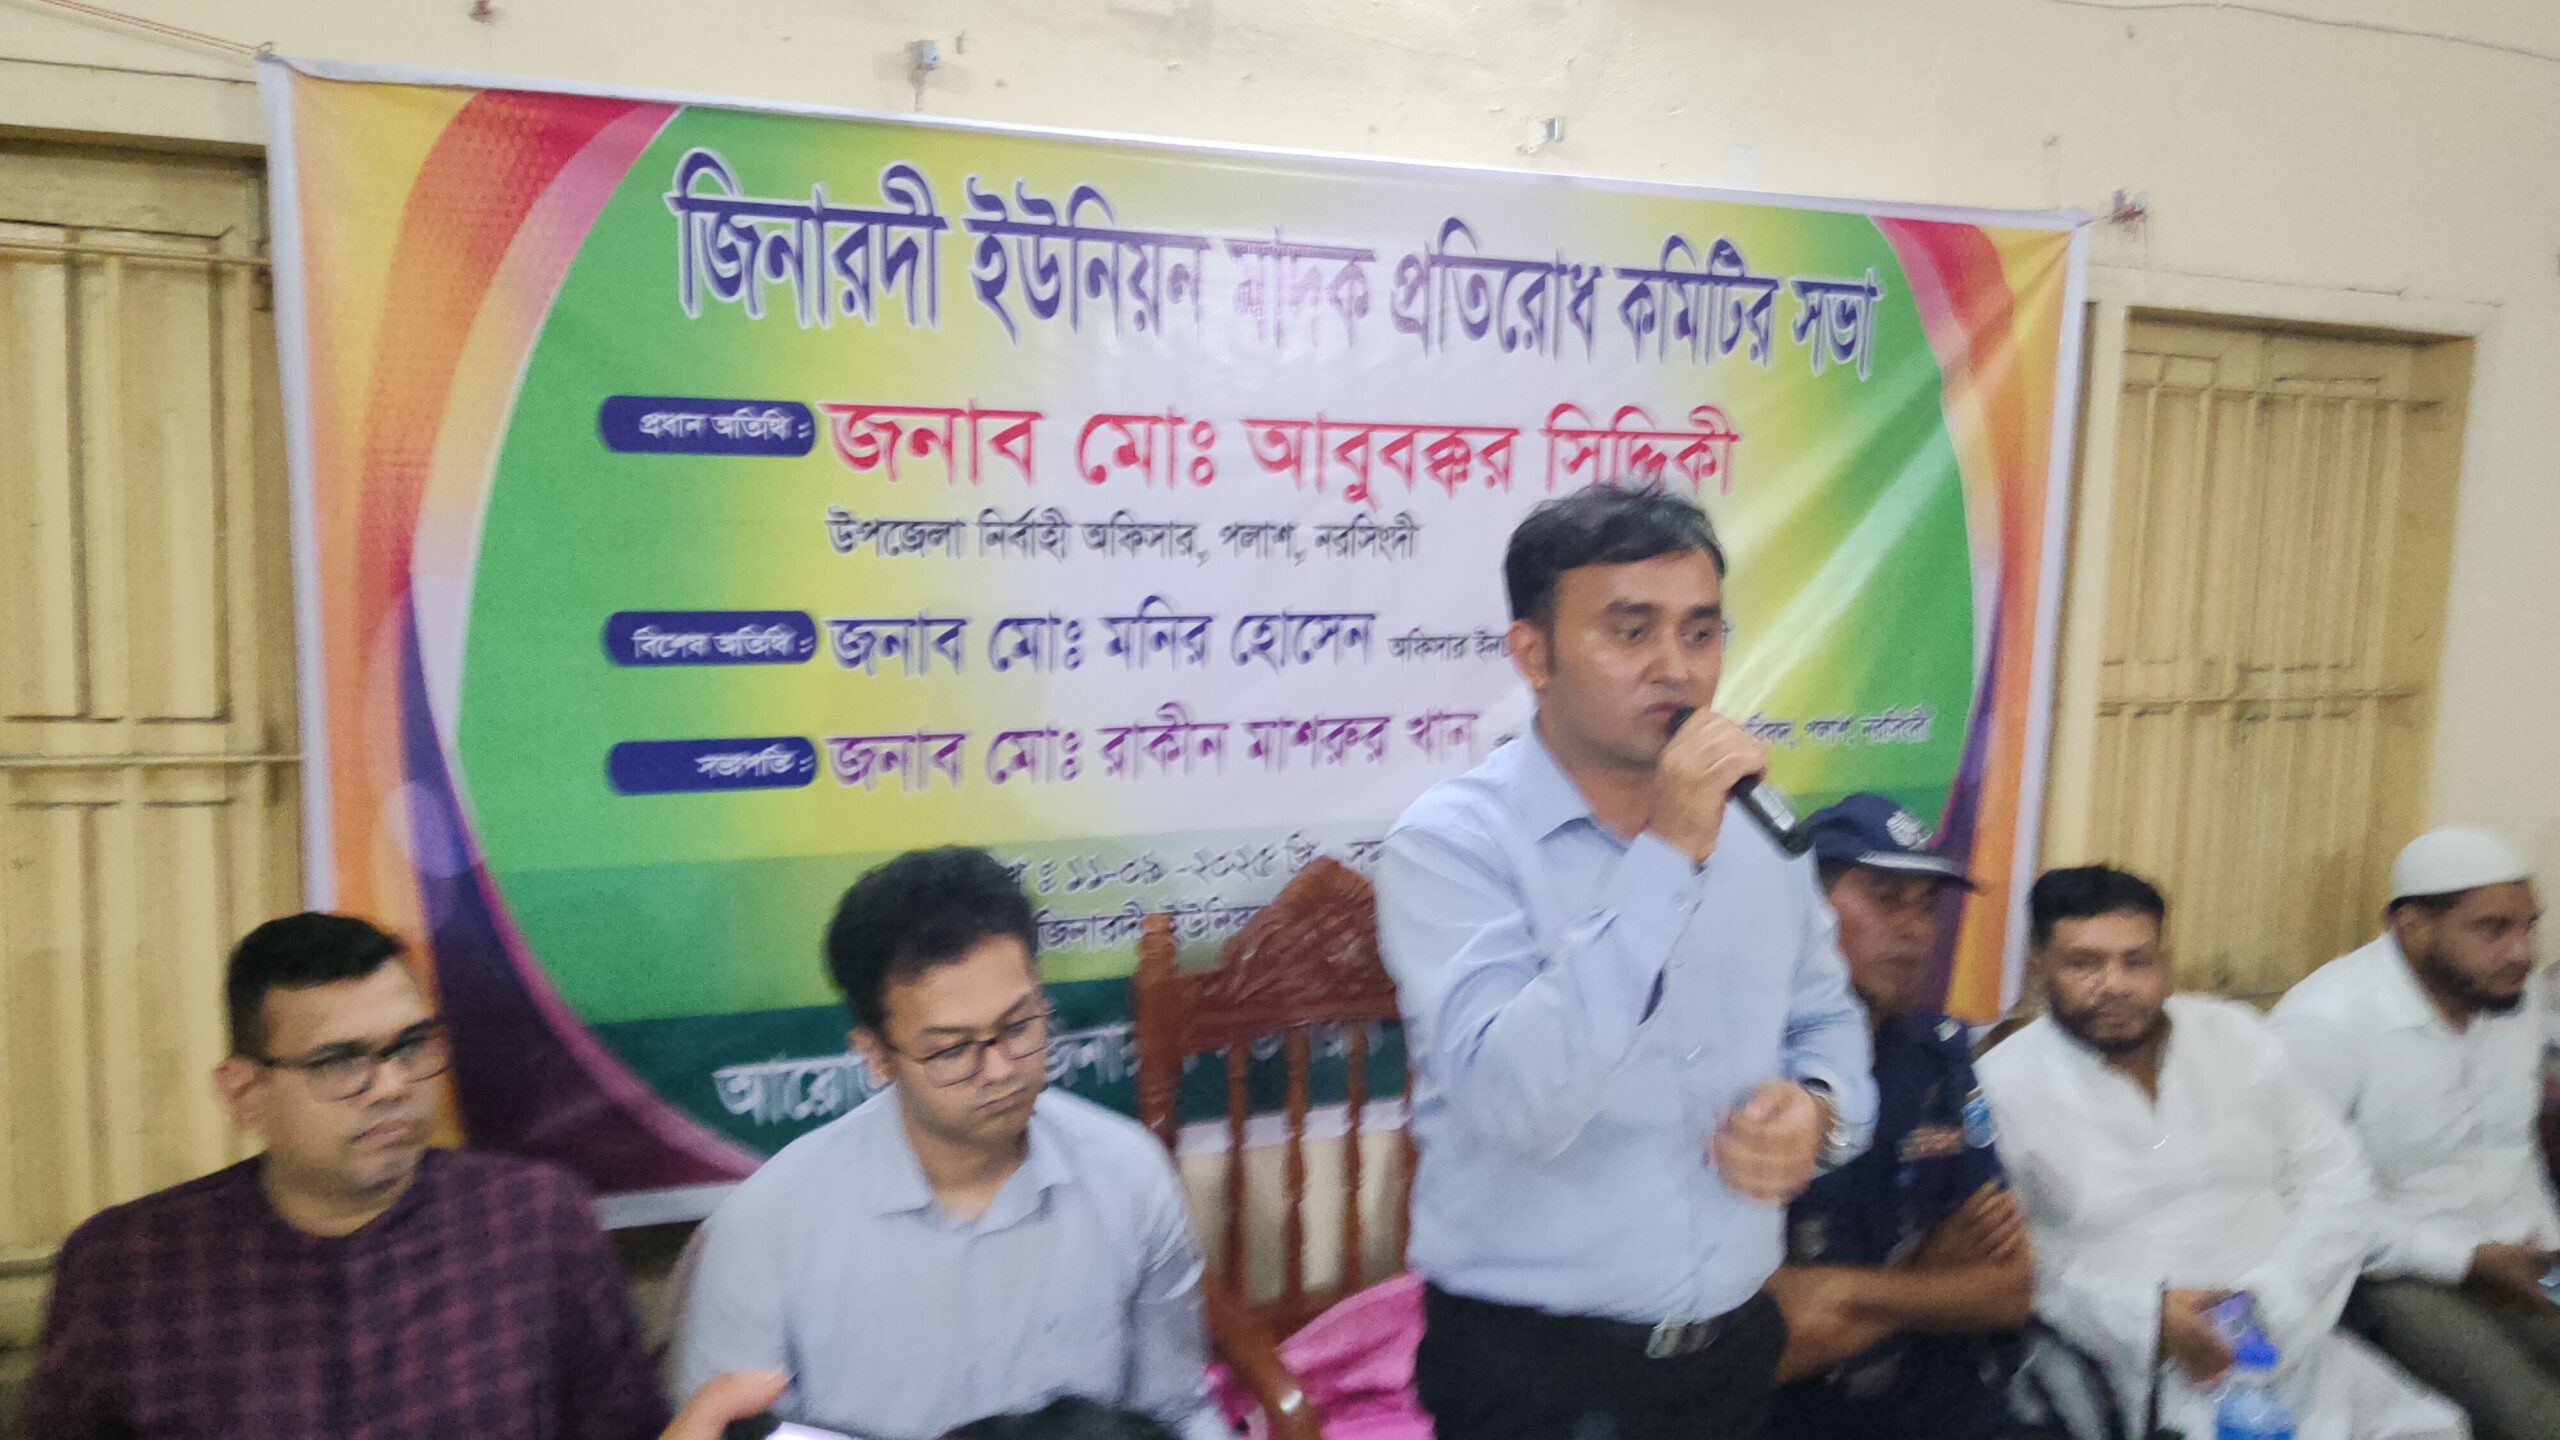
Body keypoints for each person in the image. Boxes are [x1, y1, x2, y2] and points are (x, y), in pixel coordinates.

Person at [1376, 485, 1877, 1440]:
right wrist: (1668, 855)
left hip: (1732, 1351)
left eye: (1701, 633)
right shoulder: (1452, 845)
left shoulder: (1759, 831)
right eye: (1631, 631)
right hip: (1534, 1371)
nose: (1676, 670)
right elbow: (1522, 1105)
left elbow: (1827, 1017)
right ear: (1534, 656)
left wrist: (1819, 1110)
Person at [21, 912, 667, 1440]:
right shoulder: (128, 1269)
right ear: (244, 1094)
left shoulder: (535, 1223)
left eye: (410, 1047)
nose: (392, 1087)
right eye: (340, 1062)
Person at [669, 846, 1223, 1440]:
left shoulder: (1128, 1174)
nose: (1001, 1070)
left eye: (1019, 1025)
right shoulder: (765, 1230)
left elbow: (1175, 1409)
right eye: (953, 1050)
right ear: (876, 1055)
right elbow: (723, 1430)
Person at [1976, 866, 2464, 1440]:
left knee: (2440, 1428)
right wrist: (2143, 1317)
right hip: (2142, 1371)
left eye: (2137, 961)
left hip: (2297, 1336)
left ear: (2165, 959)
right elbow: (2014, 1266)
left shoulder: (2235, 1035)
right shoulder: (2000, 1087)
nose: (2115, 984)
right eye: (2085, 963)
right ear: (2039, 967)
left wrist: (2276, 1299)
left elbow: (2337, 1178)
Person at [2270, 826, 2558, 1440]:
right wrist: (2467, 1260)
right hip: (2390, 1275)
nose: (2521, 952)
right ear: (2413, 926)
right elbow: (2295, 1198)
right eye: (2492, 929)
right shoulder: (2324, 1024)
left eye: (2528, 927)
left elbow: (2513, 1150)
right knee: (2534, 1417)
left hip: (2523, 1253)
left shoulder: (2514, 998)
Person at [1767, 794, 2035, 1440]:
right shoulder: (1750, 1072)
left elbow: (2008, 1289)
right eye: (1887, 898)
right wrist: (1925, 1279)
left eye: (1927, 905)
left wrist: (1841, 1294)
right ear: (1805, 907)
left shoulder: (1936, 1051)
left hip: (1947, 1412)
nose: (1916, 930)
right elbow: (1770, 1346)